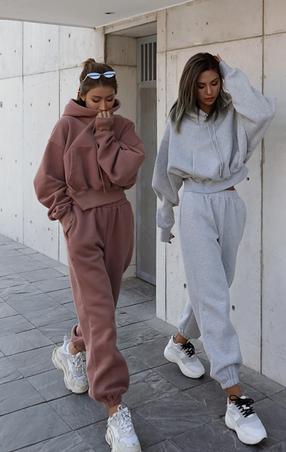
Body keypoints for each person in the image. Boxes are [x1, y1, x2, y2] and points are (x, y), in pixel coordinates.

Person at [152, 53, 276, 445]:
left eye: (214, 83)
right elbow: (164, 172)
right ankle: (235, 397)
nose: (208, 92)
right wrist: (165, 220)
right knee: (215, 301)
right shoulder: (177, 121)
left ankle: (180, 343)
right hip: (195, 206)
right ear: (190, 85)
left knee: (215, 289)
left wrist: (229, 71)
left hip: (231, 204)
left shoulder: (233, 114)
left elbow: (263, 112)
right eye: (201, 85)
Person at [34, 58, 146, 452]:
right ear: (82, 94)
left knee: (105, 308)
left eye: (110, 100)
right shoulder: (65, 126)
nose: (103, 108)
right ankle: (115, 408)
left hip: (119, 219)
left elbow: (126, 175)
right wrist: (69, 218)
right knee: (102, 315)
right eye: (96, 100)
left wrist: (105, 135)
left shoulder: (122, 127)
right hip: (83, 224)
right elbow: (45, 180)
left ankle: (73, 349)